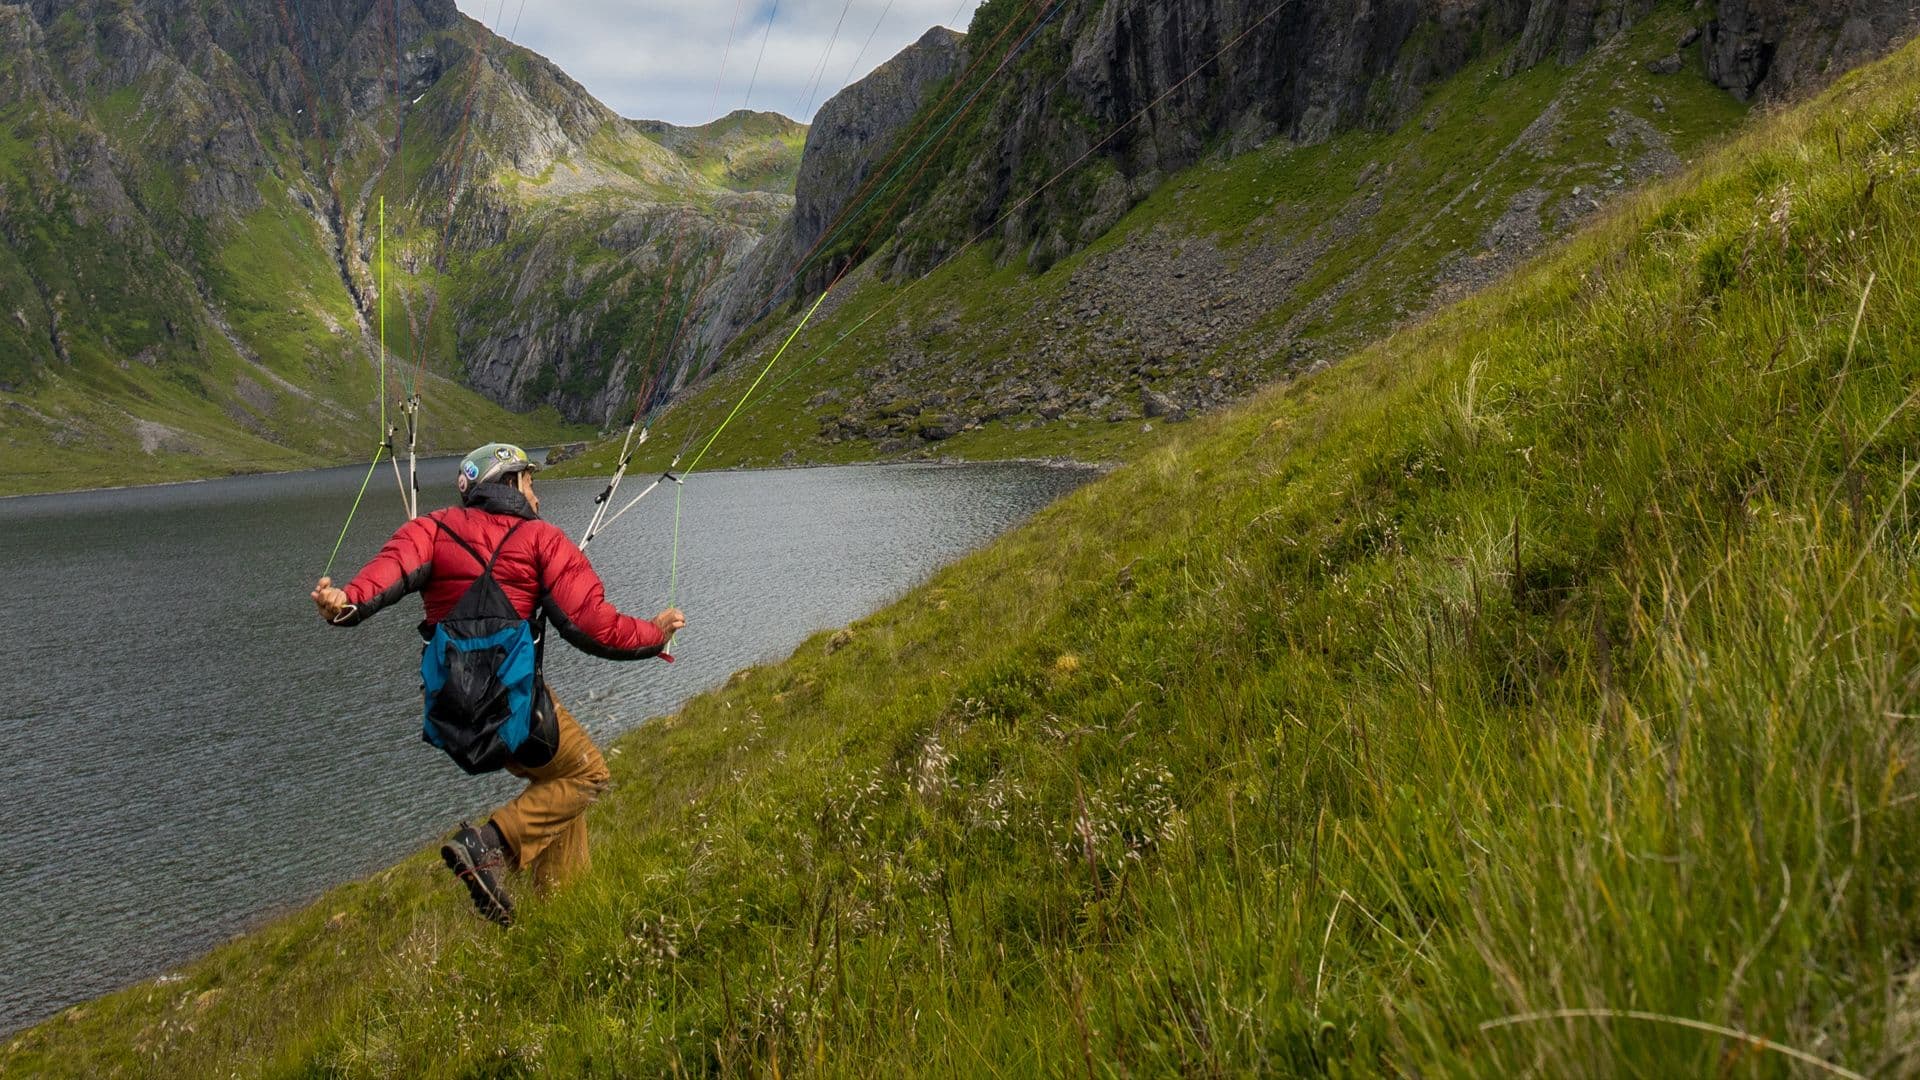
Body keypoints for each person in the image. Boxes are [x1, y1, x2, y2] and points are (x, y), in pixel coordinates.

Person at [309, 442, 685, 926]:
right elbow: (593, 626)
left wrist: (343, 602)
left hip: (453, 718)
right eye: (530, 481)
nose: (537, 495)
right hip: (518, 716)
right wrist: (656, 633)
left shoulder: (431, 530)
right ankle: (489, 845)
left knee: (558, 791)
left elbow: (381, 579)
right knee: (588, 775)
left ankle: (563, 921)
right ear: (507, 483)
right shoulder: (543, 541)